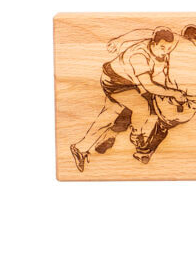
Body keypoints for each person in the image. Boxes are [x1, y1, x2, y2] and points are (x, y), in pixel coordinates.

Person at [70, 27, 185, 172]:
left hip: (129, 82)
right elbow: (149, 86)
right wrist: (174, 94)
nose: (166, 51)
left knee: (108, 116)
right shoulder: (139, 56)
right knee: (141, 107)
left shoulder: (162, 43)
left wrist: (121, 39)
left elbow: (144, 31)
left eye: (169, 48)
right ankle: (136, 136)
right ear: (154, 43)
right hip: (115, 82)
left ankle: (80, 148)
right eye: (162, 47)